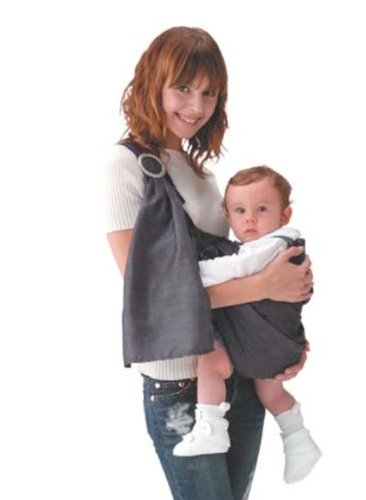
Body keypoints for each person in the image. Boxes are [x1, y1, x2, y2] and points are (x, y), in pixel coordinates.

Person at [104, 26, 313, 500]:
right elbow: (148, 293)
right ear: (152, 83)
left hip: (235, 370)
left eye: (209, 93)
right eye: (183, 88)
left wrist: (280, 338)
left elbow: (238, 266)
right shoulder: (127, 164)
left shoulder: (201, 171)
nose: (196, 106)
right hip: (179, 380)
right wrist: (268, 286)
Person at [173, 166, 321, 484]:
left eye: (261, 209)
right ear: (227, 216)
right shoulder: (268, 244)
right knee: (269, 392)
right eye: (240, 211)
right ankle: (298, 439)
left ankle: (211, 425)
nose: (250, 219)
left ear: (285, 215)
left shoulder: (275, 244)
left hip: (265, 341)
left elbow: (236, 268)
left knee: (209, 361)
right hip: (272, 345)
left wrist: (189, 273)